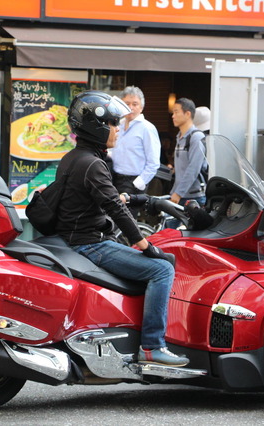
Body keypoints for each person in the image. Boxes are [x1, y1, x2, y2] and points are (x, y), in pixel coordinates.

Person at [56, 90, 189, 366]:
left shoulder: (74, 157)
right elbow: (116, 209)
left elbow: (111, 201)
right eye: (114, 124)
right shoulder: (93, 164)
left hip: (73, 237)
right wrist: (144, 245)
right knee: (162, 268)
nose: (118, 129)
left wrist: (130, 198)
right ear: (98, 127)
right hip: (89, 243)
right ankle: (152, 345)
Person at [110, 86, 161, 217]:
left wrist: (139, 183)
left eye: (135, 104)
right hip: (115, 179)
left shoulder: (147, 128)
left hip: (133, 182)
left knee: (126, 220)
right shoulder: (118, 125)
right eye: (127, 104)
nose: (131, 107)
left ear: (141, 107)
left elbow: (154, 162)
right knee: (114, 218)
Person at [167, 98, 208, 228]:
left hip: (193, 196)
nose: (173, 116)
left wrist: (178, 193)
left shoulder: (196, 137)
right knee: (168, 230)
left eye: (176, 112)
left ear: (187, 114)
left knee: (192, 234)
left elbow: (193, 169)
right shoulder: (180, 136)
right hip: (179, 194)